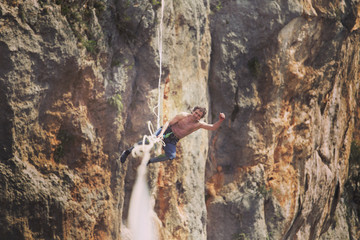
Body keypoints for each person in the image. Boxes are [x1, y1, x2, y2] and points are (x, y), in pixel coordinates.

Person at [120, 106, 226, 165]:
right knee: (149, 141)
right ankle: (127, 151)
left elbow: (213, 127)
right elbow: (168, 123)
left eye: (199, 115)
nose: (196, 115)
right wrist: (160, 135)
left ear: (200, 118)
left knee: (171, 156)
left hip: (173, 140)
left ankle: (149, 161)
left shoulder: (198, 125)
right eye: (196, 112)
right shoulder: (183, 115)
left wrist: (220, 120)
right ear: (193, 111)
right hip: (166, 131)